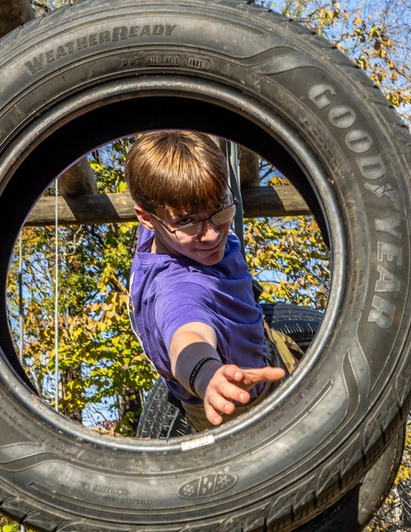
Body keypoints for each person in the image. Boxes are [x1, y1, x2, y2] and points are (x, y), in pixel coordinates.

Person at [126, 130, 295, 431]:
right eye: (187, 220)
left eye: (219, 207)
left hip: (268, 348)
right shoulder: (176, 289)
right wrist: (207, 375)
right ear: (146, 218)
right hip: (238, 411)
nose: (213, 234)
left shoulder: (172, 212)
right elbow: (187, 337)